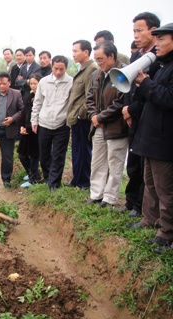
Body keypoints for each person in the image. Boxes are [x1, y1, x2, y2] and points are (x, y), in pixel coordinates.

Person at [125, 22, 173, 254]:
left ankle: (167, 233)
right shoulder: (162, 66)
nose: (158, 44)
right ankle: (149, 220)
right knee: (150, 182)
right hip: (151, 136)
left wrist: (146, 83)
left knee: (165, 188)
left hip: (165, 140)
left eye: (162, 39)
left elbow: (168, 98)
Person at [121, 12, 160, 218]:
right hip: (132, 116)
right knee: (133, 162)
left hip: (146, 116)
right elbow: (127, 86)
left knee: (145, 166)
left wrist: (132, 109)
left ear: (153, 31)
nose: (135, 35)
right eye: (134, 31)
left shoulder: (158, 58)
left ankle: (140, 205)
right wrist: (127, 109)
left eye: (139, 30)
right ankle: (131, 201)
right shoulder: (137, 56)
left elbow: (150, 90)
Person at [85, 41, 128, 208]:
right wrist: (94, 116)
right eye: (96, 59)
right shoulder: (97, 74)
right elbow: (89, 98)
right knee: (97, 161)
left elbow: (121, 101)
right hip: (98, 126)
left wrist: (101, 117)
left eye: (101, 58)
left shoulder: (122, 74)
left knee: (115, 162)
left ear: (111, 56)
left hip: (116, 127)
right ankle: (96, 194)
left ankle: (109, 198)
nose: (99, 62)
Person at [31, 55, 73, 192]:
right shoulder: (44, 82)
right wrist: (34, 120)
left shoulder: (71, 82)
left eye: (62, 69)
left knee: (58, 154)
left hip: (62, 124)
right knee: (44, 155)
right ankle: (48, 177)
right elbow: (37, 102)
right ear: (52, 67)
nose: (59, 72)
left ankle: (54, 184)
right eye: (56, 69)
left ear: (66, 68)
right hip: (44, 123)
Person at [66, 40, 97, 190]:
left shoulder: (91, 69)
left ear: (86, 52)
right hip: (76, 118)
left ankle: (84, 181)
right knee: (77, 149)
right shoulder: (82, 68)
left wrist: (80, 114)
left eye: (76, 51)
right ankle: (76, 179)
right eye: (72, 51)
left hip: (82, 119)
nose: (73, 54)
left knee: (84, 150)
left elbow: (90, 96)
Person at [17, 73, 42, 188]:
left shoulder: (41, 97)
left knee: (34, 156)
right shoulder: (29, 95)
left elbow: (37, 115)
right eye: (31, 83)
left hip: (35, 131)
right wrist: (22, 126)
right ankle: (31, 173)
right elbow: (24, 112)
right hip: (26, 130)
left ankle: (34, 178)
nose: (33, 86)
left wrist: (28, 128)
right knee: (22, 154)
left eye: (35, 84)